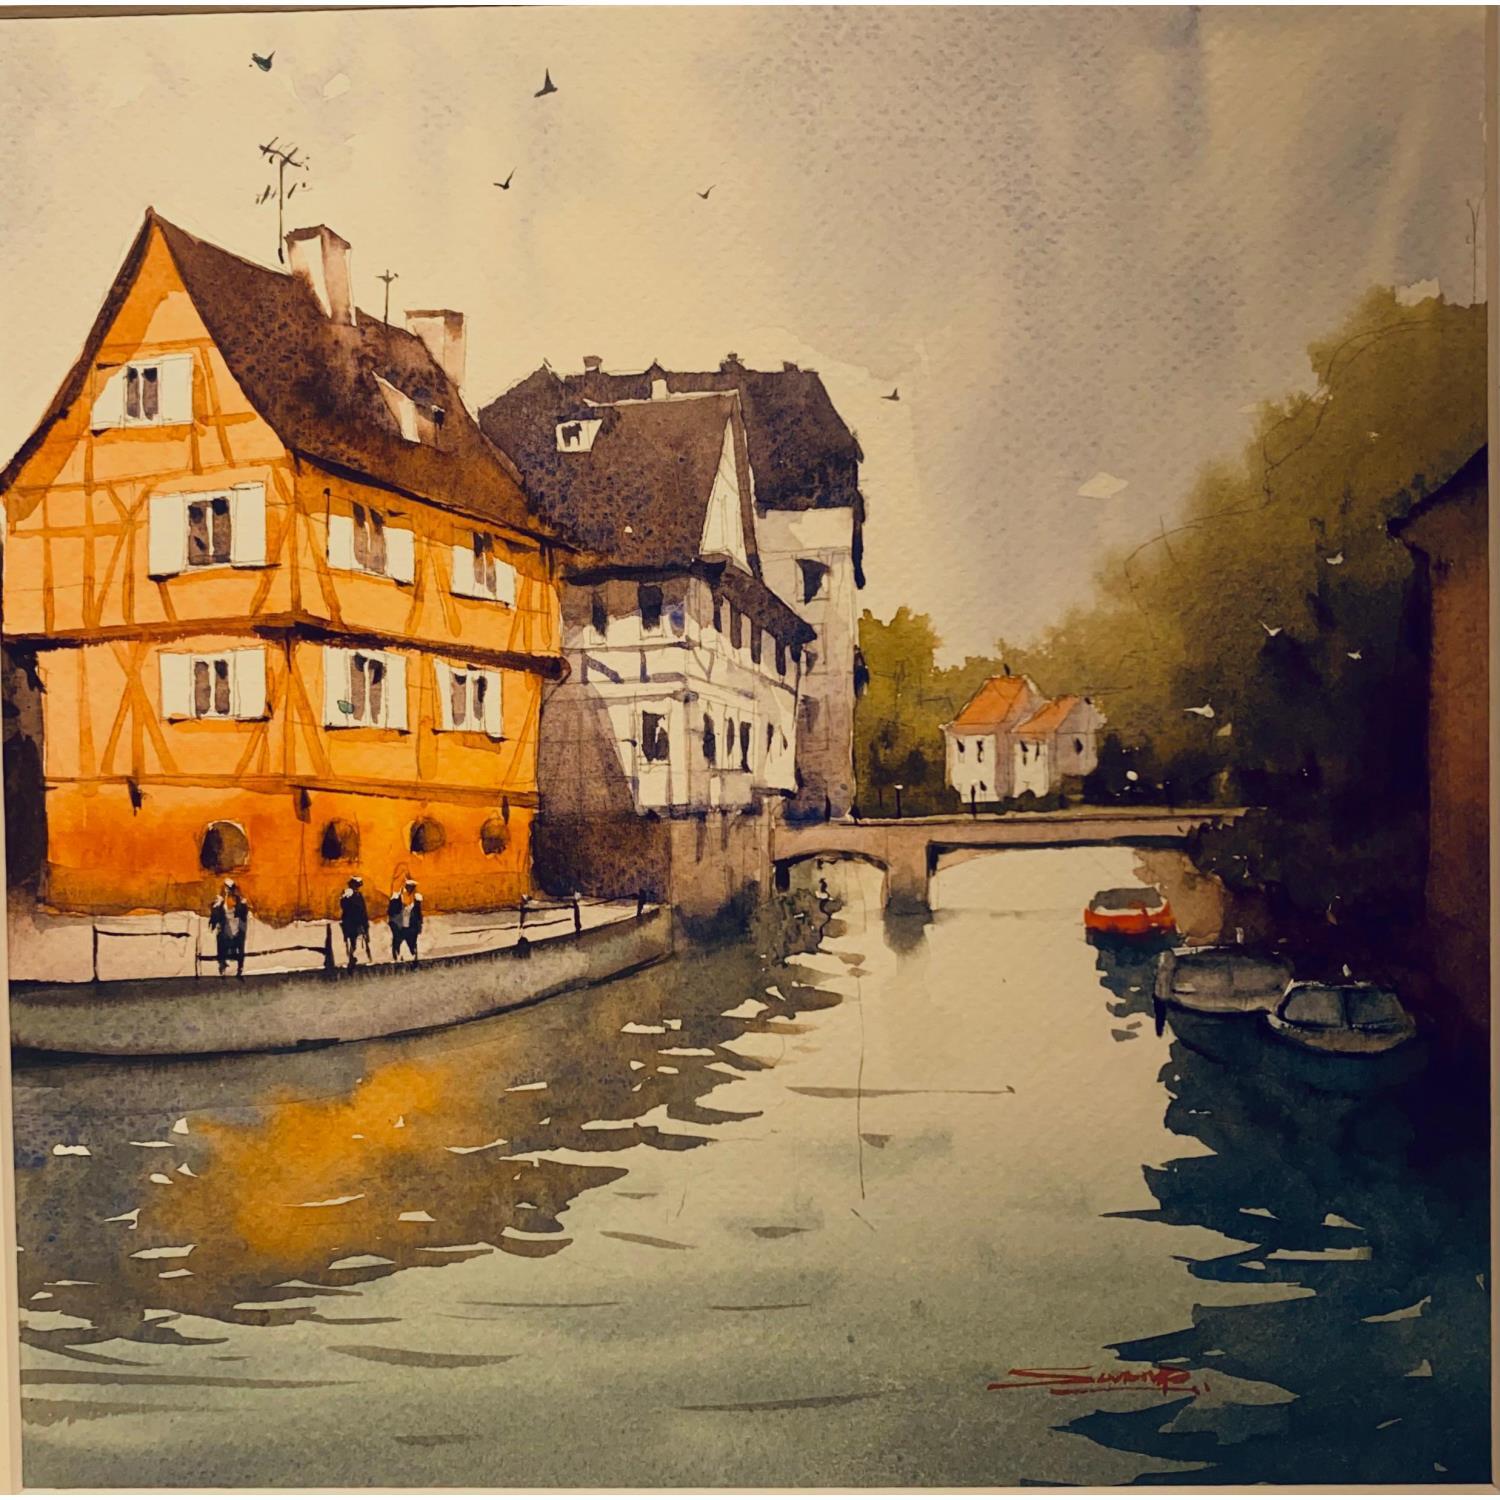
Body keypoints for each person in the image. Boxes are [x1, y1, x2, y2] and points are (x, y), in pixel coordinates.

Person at [207, 878, 250, 977]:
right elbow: (215, 914)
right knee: (221, 940)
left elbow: (243, 913)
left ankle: (240, 968)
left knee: (240, 944)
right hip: (225, 927)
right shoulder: (221, 901)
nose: (228, 890)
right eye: (227, 888)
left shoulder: (239, 901)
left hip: (236, 926)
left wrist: (243, 906)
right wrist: (216, 906)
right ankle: (222, 965)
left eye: (230, 888)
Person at [387, 878, 423, 962]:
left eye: (413, 887)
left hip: (410, 924)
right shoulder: (397, 897)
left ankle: (412, 957)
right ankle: (397, 956)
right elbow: (391, 911)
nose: (411, 889)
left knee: (411, 941)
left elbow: (418, 913)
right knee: (397, 941)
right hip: (398, 923)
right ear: (406, 886)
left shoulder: (416, 898)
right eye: (410, 887)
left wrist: (419, 925)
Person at [339, 876, 371, 969]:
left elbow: (362, 909)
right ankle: (351, 957)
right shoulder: (348, 894)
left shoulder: (358, 894)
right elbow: (346, 907)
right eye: (356, 885)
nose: (357, 887)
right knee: (352, 940)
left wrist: (364, 921)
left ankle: (353, 956)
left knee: (356, 940)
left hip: (358, 920)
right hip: (351, 921)